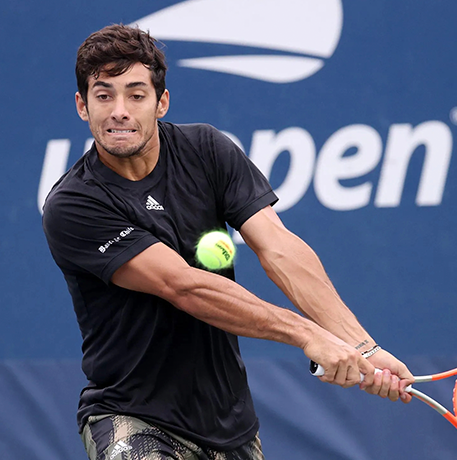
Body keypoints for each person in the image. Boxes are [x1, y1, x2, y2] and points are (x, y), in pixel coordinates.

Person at [42, 24, 413, 460]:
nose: (119, 110)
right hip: (133, 417)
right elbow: (183, 286)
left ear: (161, 103)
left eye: (136, 94)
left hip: (229, 425)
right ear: (82, 106)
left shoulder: (206, 150)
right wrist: (308, 334)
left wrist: (359, 344)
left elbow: (278, 246)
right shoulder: (73, 205)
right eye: (104, 95)